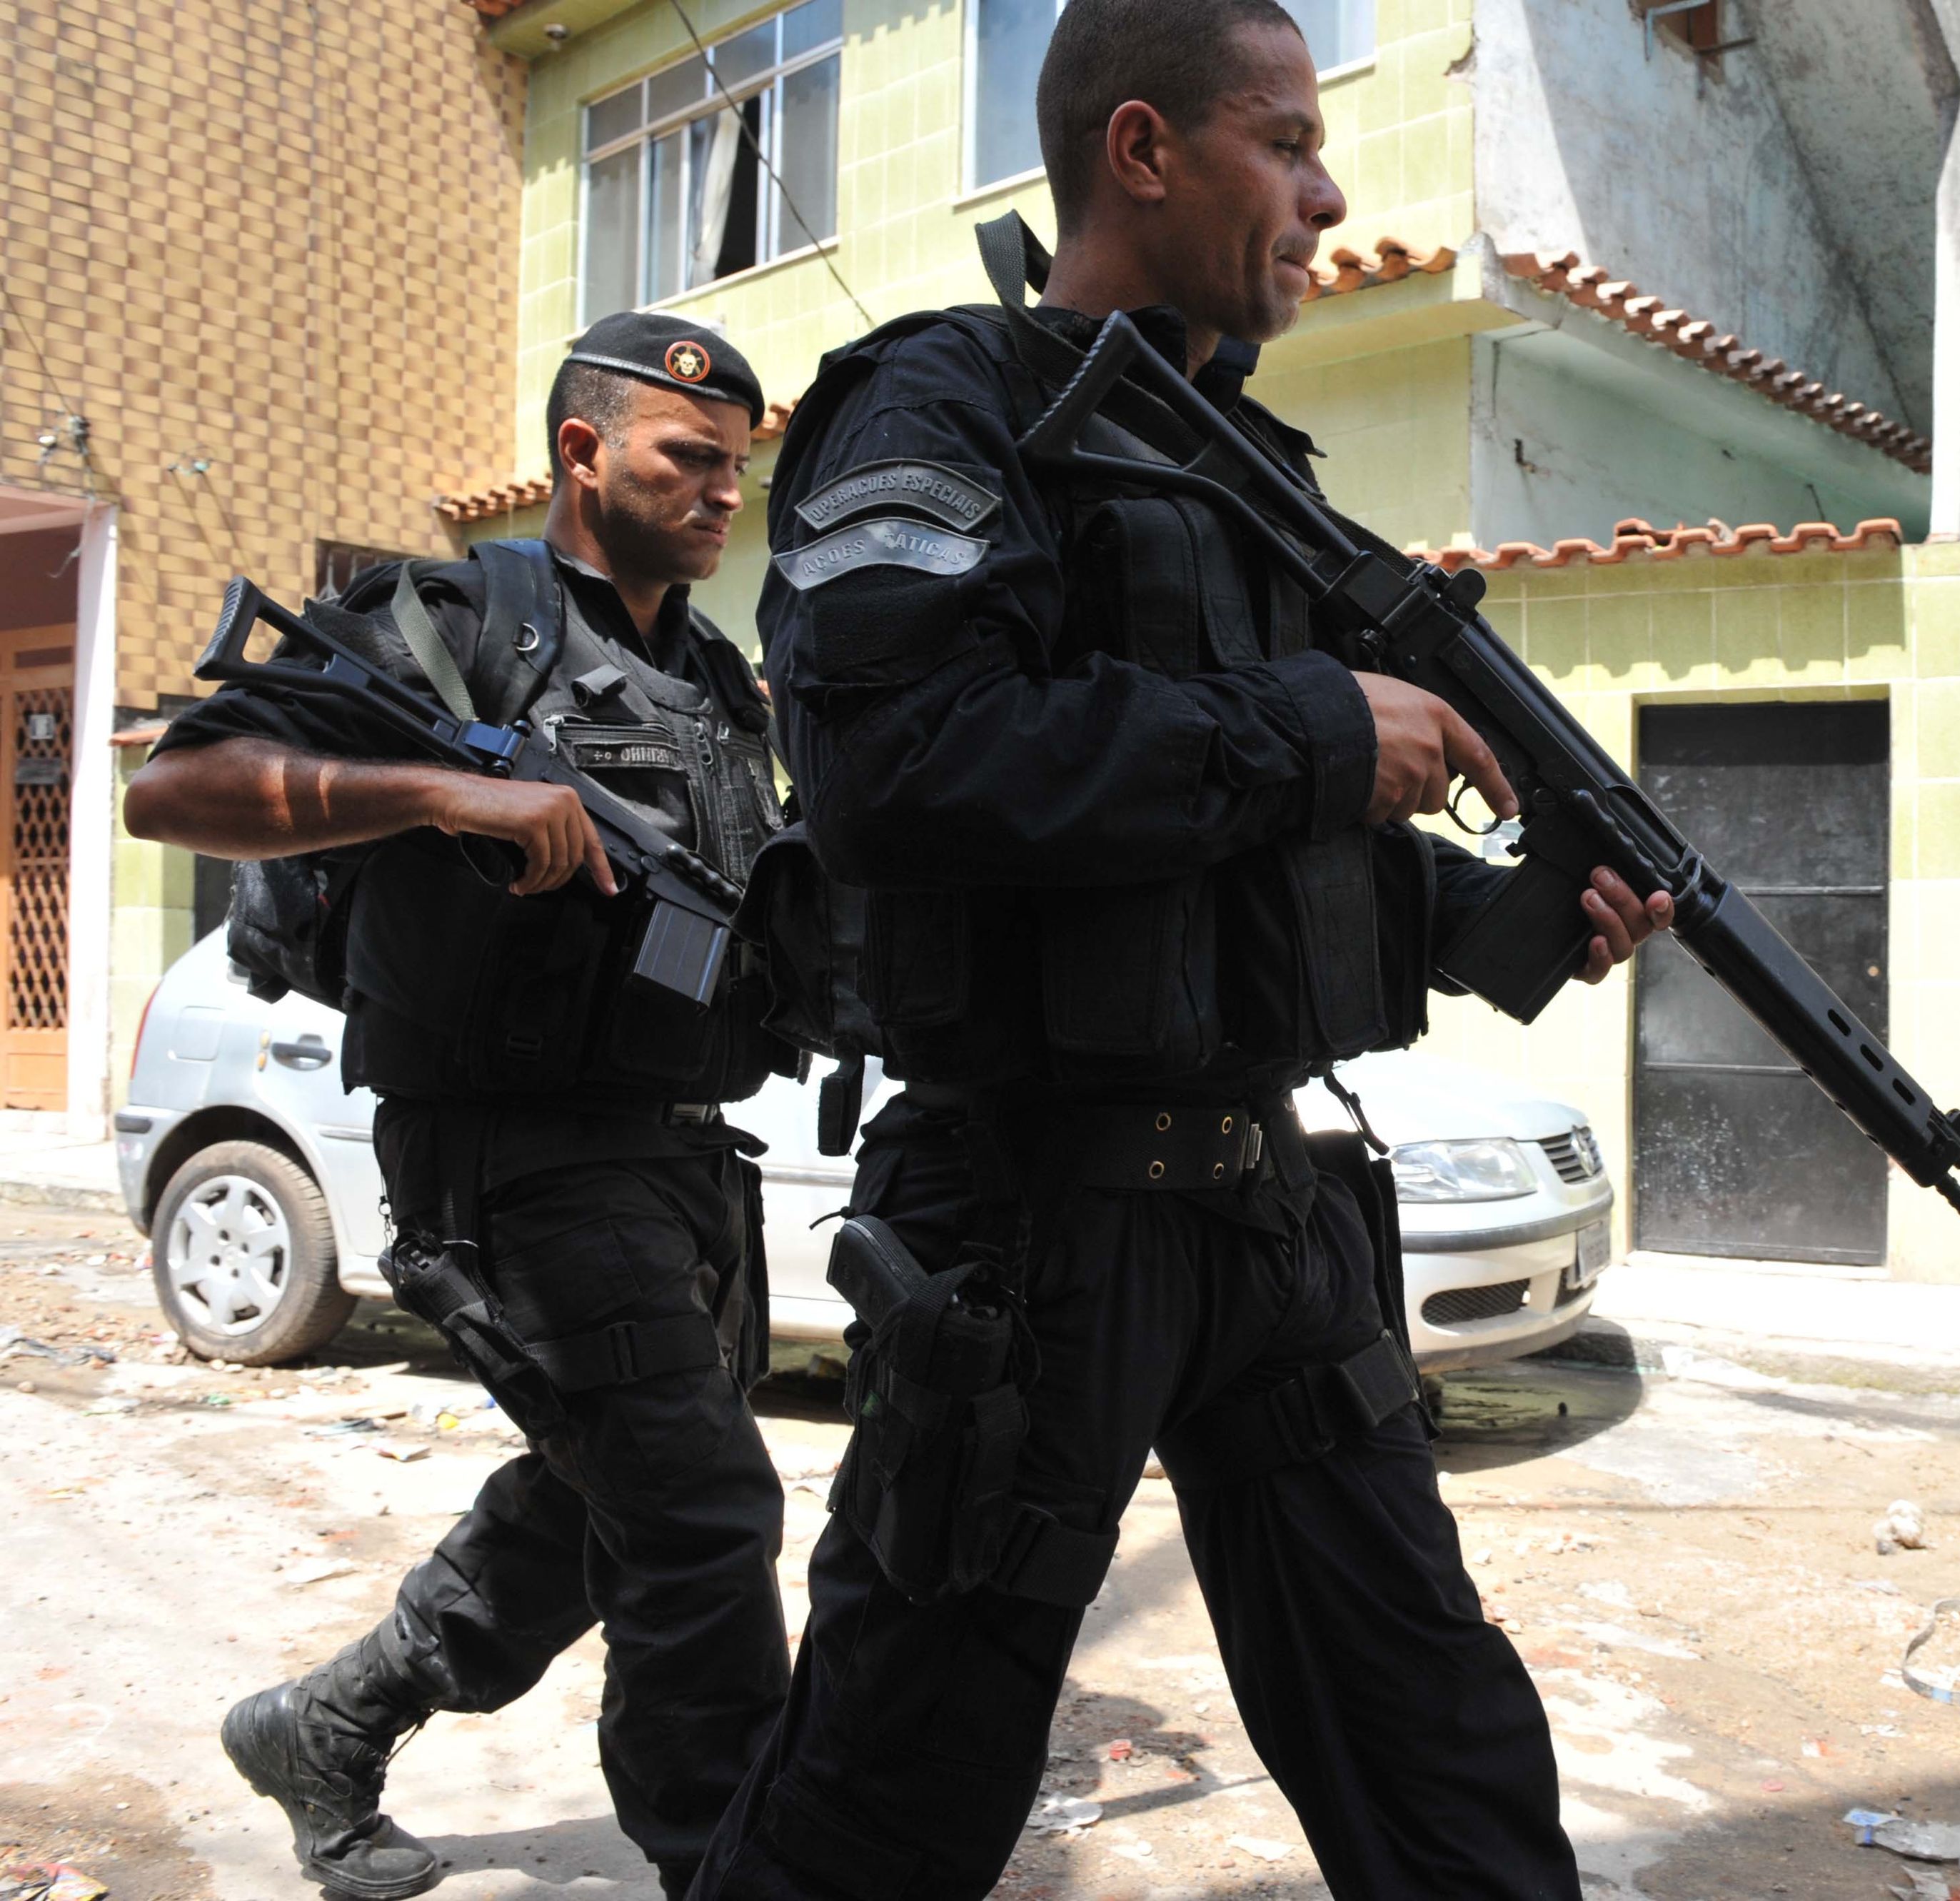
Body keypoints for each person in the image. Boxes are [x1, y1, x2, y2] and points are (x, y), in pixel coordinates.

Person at [690, 1, 1671, 1894]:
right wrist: (1320, 732)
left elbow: (1255, 864)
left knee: (1442, 1751)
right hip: (1033, 1218)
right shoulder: (943, 403)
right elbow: (897, 768)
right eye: (1284, 140)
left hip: (1267, 1209)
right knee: (887, 1800)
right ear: (1140, 149)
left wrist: (1507, 916)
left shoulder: (1251, 468)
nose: (1328, 188)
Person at [124, 315, 796, 1901]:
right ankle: (743, 1854)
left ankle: (327, 1724)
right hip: (509, 1155)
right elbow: (179, 784)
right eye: (686, 459)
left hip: (680, 1152)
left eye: (735, 470)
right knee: (703, 1513)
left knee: (602, 1495)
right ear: (583, 453)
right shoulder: (446, 621)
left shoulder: (714, 679)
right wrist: (438, 788)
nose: (720, 495)